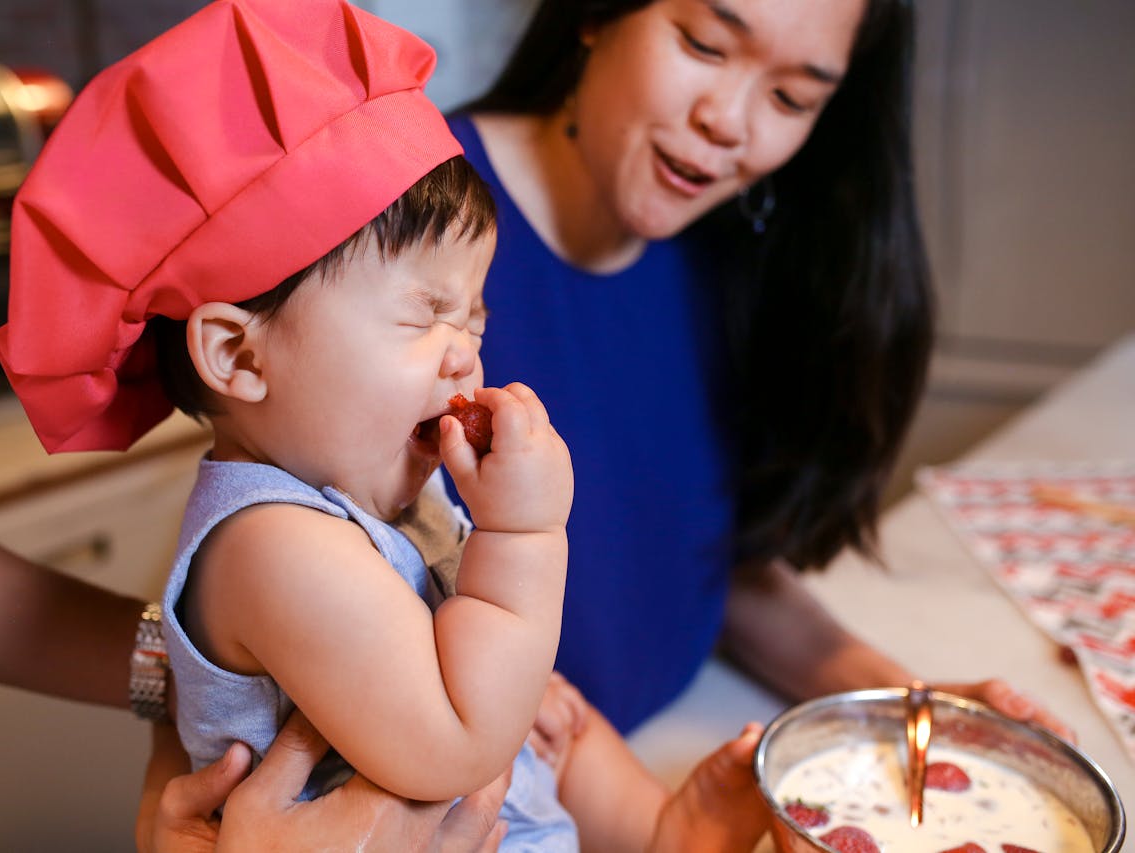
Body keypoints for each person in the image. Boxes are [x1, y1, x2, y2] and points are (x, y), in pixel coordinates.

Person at [0, 0, 509, 850]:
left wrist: (205, 679)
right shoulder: (279, 540)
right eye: (424, 316)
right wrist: (527, 532)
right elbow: (462, 739)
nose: (464, 356)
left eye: (476, 321)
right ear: (237, 355)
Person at [444, 0, 1072, 744]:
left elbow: (714, 565)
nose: (730, 122)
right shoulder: (402, 223)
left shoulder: (736, 258)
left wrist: (910, 705)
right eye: (706, 45)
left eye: (790, 98)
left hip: (674, 752)